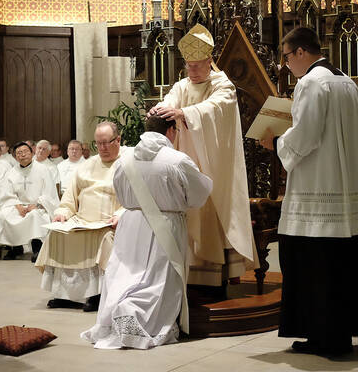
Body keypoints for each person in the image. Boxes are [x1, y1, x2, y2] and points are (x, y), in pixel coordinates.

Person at [260, 27, 358, 355]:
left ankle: (324, 338)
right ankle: (336, 336)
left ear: (300, 53)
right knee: (340, 268)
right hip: (345, 192)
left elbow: (306, 136)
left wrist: (277, 142)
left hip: (317, 194)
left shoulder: (311, 83)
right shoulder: (346, 82)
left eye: (286, 57)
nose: (286, 65)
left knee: (317, 268)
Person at [81, 115, 212, 349]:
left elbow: (121, 193)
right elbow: (198, 195)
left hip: (131, 224)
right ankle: (134, 314)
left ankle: (117, 312)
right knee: (158, 277)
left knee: (126, 273)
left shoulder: (125, 160)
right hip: (166, 224)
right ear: (171, 131)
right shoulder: (178, 160)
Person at [149, 23, 257, 288]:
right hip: (183, 161)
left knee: (209, 208)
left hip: (213, 164)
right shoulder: (183, 85)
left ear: (209, 61)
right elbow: (170, 101)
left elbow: (214, 108)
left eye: (197, 65)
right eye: (188, 65)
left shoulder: (224, 86)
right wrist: (160, 110)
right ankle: (187, 275)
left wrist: (186, 114)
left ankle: (215, 277)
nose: (192, 71)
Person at [35, 123, 124, 312]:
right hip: (82, 220)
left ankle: (97, 295)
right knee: (57, 234)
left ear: (118, 140)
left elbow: (135, 199)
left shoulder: (127, 164)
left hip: (108, 223)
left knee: (104, 239)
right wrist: (62, 213)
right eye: (98, 144)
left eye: (106, 143)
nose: (102, 148)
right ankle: (64, 295)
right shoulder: (87, 165)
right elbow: (70, 197)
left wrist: (120, 215)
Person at [0, 141, 59, 261]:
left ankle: (37, 249)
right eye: (19, 153)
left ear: (32, 153)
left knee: (34, 216)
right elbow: (7, 194)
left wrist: (37, 205)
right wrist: (17, 205)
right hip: (18, 205)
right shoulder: (12, 172)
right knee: (4, 215)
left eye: (25, 152)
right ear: (15, 157)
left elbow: (49, 193)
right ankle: (15, 248)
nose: (22, 155)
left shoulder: (43, 169)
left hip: (38, 206)